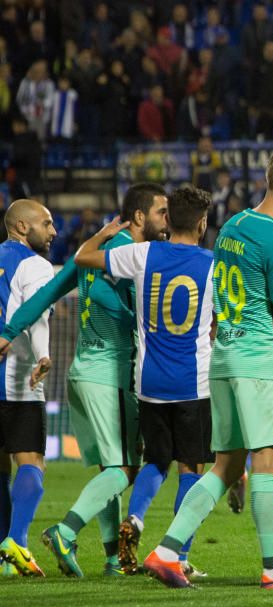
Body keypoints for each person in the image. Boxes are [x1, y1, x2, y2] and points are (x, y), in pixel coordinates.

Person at [143, 149, 273, 589]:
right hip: (258, 362)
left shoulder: (232, 226)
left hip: (223, 359)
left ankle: (167, 552)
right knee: (268, 459)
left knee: (225, 467)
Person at [0, 184, 168, 578]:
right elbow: (144, 320)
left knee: (108, 470)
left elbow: (45, 297)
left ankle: (112, 559)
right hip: (113, 375)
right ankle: (65, 530)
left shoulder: (90, 253)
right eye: (161, 212)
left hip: (80, 375)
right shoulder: (137, 256)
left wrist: (9, 331)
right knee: (125, 468)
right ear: (139, 216)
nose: (167, 221)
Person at [74, 186, 215, 579]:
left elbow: (82, 258)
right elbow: (219, 323)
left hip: (149, 383)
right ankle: (178, 555)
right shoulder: (211, 264)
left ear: (168, 220)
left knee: (154, 461)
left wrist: (103, 234)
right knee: (191, 468)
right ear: (202, 224)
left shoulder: (142, 253)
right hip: (193, 384)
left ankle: (134, 518)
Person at [0, 199, 56, 578]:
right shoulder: (34, 264)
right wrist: (42, 355)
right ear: (22, 226)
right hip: (17, 378)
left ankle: (3, 548)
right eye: (46, 223)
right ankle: (14, 545)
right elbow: (35, 313)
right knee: (32, 463)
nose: (53, 231)